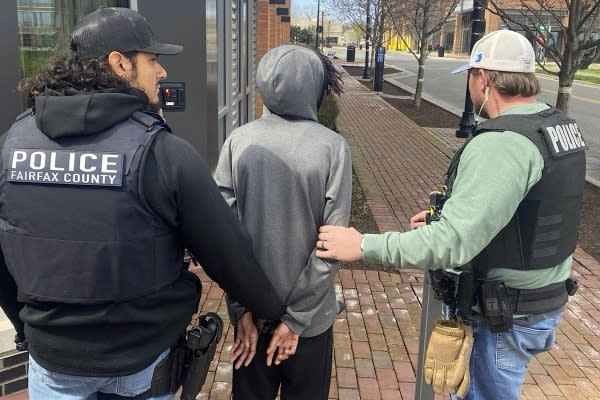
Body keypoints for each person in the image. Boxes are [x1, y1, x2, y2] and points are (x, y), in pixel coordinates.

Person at [0, 7, 284, 400]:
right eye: (152, 60)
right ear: (119, 63)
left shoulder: (13, 145)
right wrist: (275, 309)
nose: (162, 72)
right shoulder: (161, 152)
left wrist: (29, 329)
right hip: (139, 365)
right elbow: (228, 254)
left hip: (52, 365)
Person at [315, 30, 586, 400]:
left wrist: (362, 244)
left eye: (472, 78)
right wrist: (448, 216)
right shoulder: (556, 127)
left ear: (483, 79)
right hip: (538, 304)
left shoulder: (504, 144)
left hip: (503, 319)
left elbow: (453, 244)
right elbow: (527, 213)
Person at [214, 45, 352, 400]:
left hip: (252, 317)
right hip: (310, 322)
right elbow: (332, 244)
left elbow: (222, 238)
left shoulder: (237, 141)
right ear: (315, 86)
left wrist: (240, 308)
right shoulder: (333, 148)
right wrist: (296, 319)